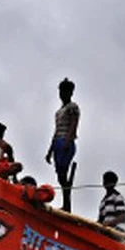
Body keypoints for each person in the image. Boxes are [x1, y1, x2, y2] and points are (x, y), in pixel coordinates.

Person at [45, 78, 80, 211]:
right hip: (57, 142)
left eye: (66, 91)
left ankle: (67, 204)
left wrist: (68, 140)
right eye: (61, 91)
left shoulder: (73, 107)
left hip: (66, 141)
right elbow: (56, 130)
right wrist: (50, 150)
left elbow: (74, 123)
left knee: (63, 173)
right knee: (60, 175)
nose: (63, 94)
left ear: (71, 92)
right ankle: (66, 203)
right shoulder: (59, 112)